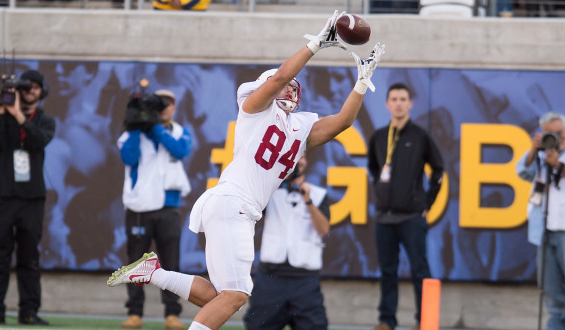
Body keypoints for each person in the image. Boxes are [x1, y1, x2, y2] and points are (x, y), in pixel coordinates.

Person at [106, 10, 386, 330]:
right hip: (233, 202)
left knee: (220, 296)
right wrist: (315, 46)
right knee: (236, 295)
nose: (291, 88)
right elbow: (280, 77)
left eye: (296, 87)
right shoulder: (254, 108)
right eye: (284, 84)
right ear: (264, 87)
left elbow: (343, 123)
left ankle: (154, 273)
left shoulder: (300, 126)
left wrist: (362, 82)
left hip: (237, 208)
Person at [0, 70, 56, 325]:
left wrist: (19, 115)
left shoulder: (45, 120)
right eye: (26, 87)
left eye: (35, 88)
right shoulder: (3, 116)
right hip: (2, 195)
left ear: (42, 92)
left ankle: (29, 311)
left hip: (31, 198)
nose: (30, 91)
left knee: (29, 257)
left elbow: (38, 141)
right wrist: (0, 111)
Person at [367, 83, 444, 330]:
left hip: (412, 217)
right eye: (394, 99)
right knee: (387, 272)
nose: (398, 103)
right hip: (384, 217)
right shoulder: (378, 137)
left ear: (410, 103)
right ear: (387, 104)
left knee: (420, 270)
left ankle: (425, 322)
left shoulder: (420, 136)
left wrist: (427, 203)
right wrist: (381, 192)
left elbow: (439, 170)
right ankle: (386, 320)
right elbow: (374, 170)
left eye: (403, 99)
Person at [116, 89, 191, 330]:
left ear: (174, 107)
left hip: (168, 207)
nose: (163, 109)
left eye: (167, 105)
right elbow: (128, 158)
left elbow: (179, 151)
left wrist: (156, 127)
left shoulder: (179, 132)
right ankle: (135, 312)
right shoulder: (131, 133)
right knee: (136, 262)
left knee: (171, 262)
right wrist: (138, 126)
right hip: (140, 206)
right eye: (159, 106)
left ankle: (172, 313)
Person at [244, 153, 331, 330]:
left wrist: (308, 200)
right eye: (295, 157)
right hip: (270, 278)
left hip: (305, 280)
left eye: (303, 157)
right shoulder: (268, 193)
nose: (299, 161)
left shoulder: (318, 194)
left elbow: (323, 230)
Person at [515, 112, 565, 330]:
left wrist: (560, 167)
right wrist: (535, 149)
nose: (555, 137)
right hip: (545, 228)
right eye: (549, 133)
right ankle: (557, 324)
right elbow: (522, 171)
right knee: (550, 286)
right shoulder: (539, 152)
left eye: (558, 132)